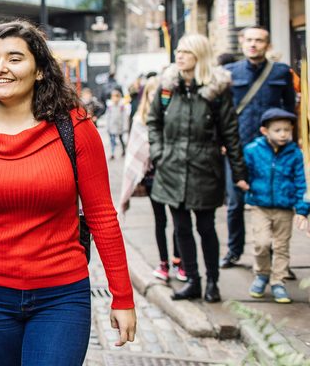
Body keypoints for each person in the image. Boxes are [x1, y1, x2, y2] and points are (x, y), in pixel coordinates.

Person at [0, 19, 136, 364]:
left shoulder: (75, 127)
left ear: (39, 71)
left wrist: (122, 297)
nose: (0, 68)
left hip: (62, 295)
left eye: (15, 58)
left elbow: (102, 216)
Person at [147, 34, 249, 302]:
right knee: (181, 229)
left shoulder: (217, 90)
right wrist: (159, 154)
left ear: (199, 56)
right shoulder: (168, 86)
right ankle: (192, 279)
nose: (179, 56)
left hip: (205, 168)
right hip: (171, 168)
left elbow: (230, 133)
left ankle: (212, 281)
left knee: (206, 228)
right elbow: (153, 121)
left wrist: (239, 173)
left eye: (186, 52)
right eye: (178, 51)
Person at [221, 26, 296, 269]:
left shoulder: (281, 72)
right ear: (242, 42)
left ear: (267, 45)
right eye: (249, 40)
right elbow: (221, 112)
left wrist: (288, 141)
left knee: (272, 202)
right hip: (238, 148)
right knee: (235, 203)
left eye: (259, 40)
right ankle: (234, 251)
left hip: (271, 150)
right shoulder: (229, 72)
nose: (253, 44)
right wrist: (222, 141)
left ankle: (275, 257)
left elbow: (289, 110)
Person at [118, 77, 185, 282]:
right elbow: (136, 150)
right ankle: (163, 262)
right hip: (152, 178)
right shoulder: (140, 119)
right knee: (160, 220)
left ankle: (179, 259)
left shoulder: (175, 115)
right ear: (146, 95)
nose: (156, 96)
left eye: (161, 93)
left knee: (179, 220)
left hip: (174, 175)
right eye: (152, 93)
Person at [244, 108, 309, 303]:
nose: (283, 134)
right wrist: (246, 189)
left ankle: (278, 281)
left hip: (284, 208)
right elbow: (243, 172)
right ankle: (262, 274)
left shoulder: (295, 154)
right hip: (260, 206)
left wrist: (302, 210)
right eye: (278, 130)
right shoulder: (253, 150)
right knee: (261, 243)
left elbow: (301, 182)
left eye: (287, 130)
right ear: (265, 131)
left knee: (281, 246)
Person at [105, 89, 130, 159]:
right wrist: (107, 127)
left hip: (120, 127)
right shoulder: (110, 107)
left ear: (119, 97)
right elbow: (107, 117)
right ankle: (112, 153)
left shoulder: (122, 107)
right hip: (112, 127)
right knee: (112, 141)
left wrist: (125, 127)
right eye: (113, 97)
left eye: (117, 96)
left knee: (121, 140)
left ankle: (124, 150)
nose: (115, 98)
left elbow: (125, 117)